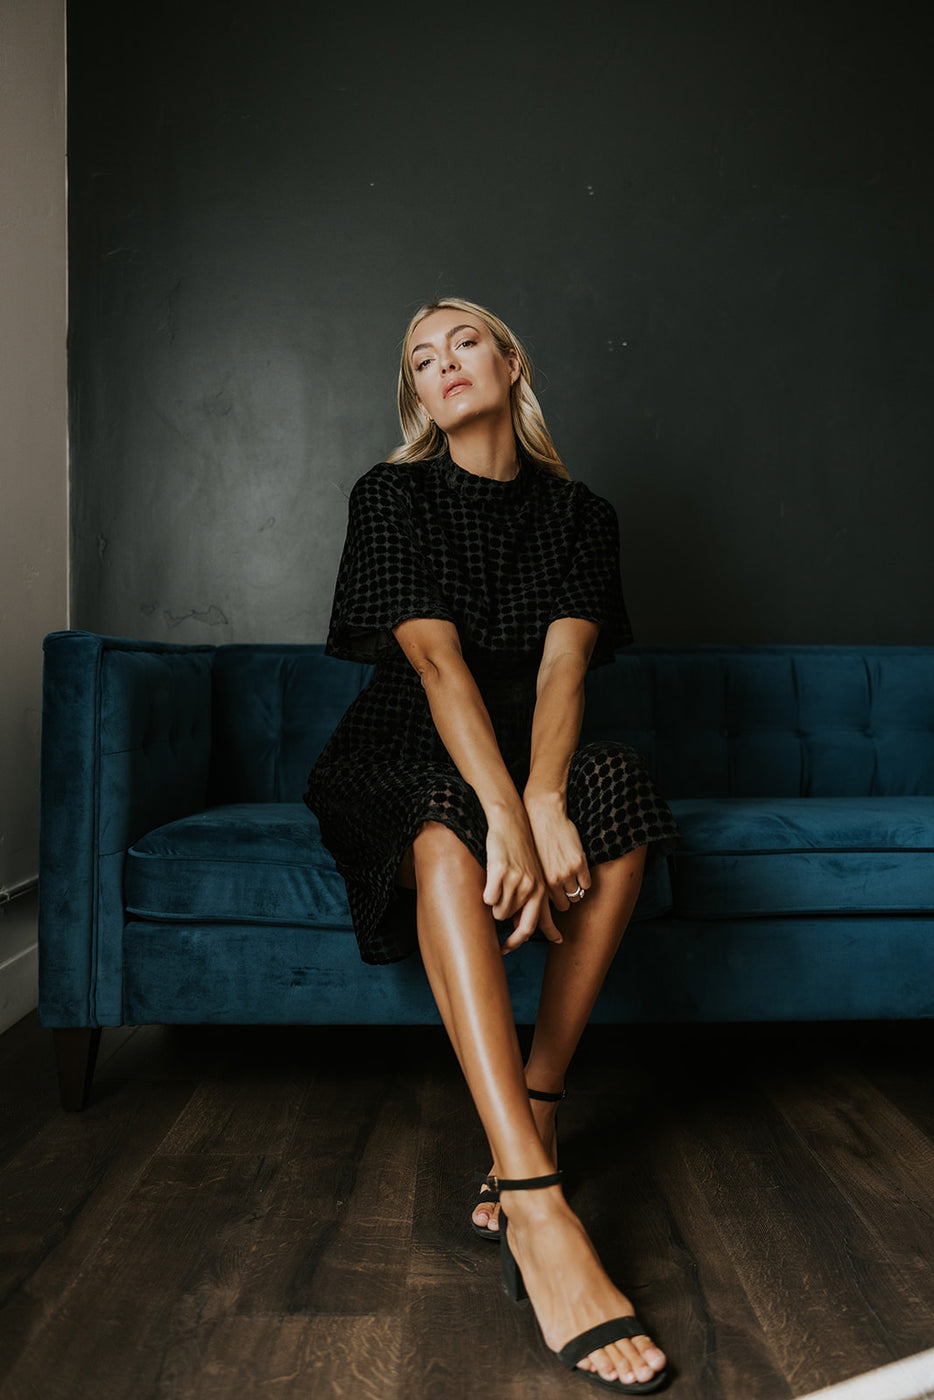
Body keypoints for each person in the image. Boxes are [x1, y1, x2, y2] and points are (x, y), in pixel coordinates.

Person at [305, 297, 679, 1393]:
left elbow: (563, 669)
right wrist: (506, 811)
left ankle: (543, 1096)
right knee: (441, 830)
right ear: (416, 395)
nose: (441, 365)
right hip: (396, 748)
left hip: (524, 748)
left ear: (511, 362)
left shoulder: (581, 515)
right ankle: (533, 1197)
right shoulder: (391, 494)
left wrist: (548, 791)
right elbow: (435, 668)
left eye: (462, 341)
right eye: (420, 358)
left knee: (626, 785)